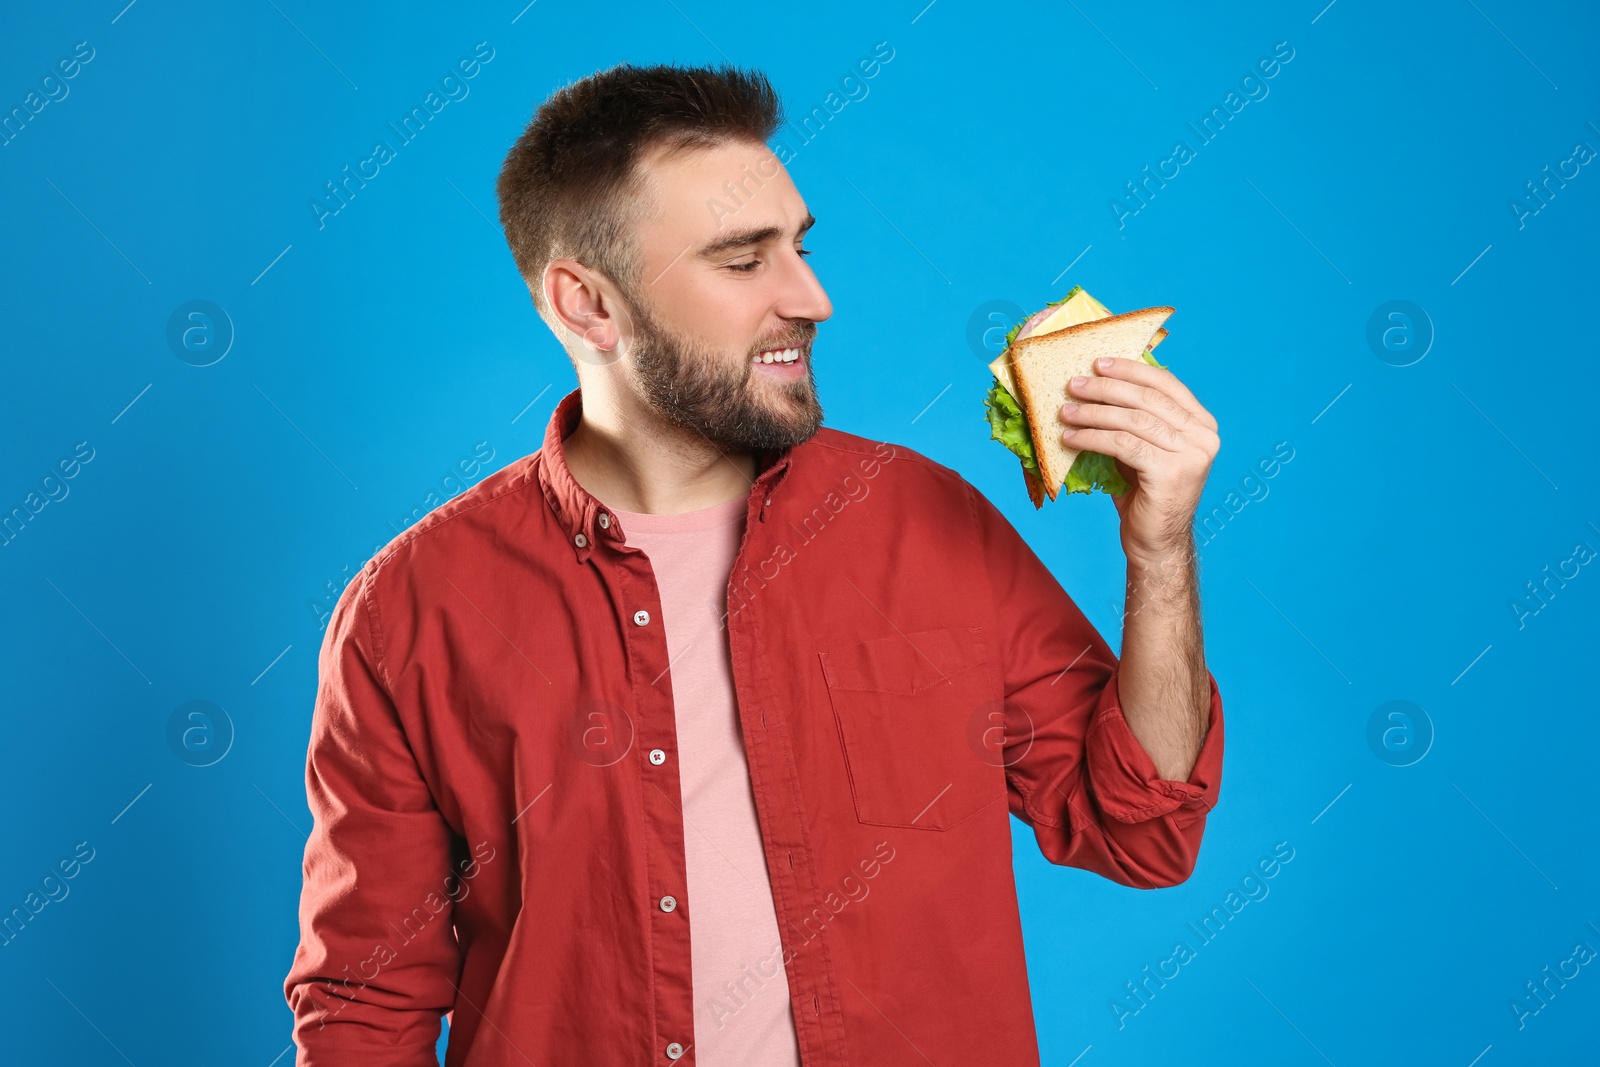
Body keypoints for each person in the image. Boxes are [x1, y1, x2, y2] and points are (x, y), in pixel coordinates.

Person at [283, 62, 1225, 1067]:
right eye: (743, 261)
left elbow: (1142, 832)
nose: (811, 297)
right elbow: (363, 1002)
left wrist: (1157, 552)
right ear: (587, 305)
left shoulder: (923, 519)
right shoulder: (411, 609)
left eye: (800, 246)